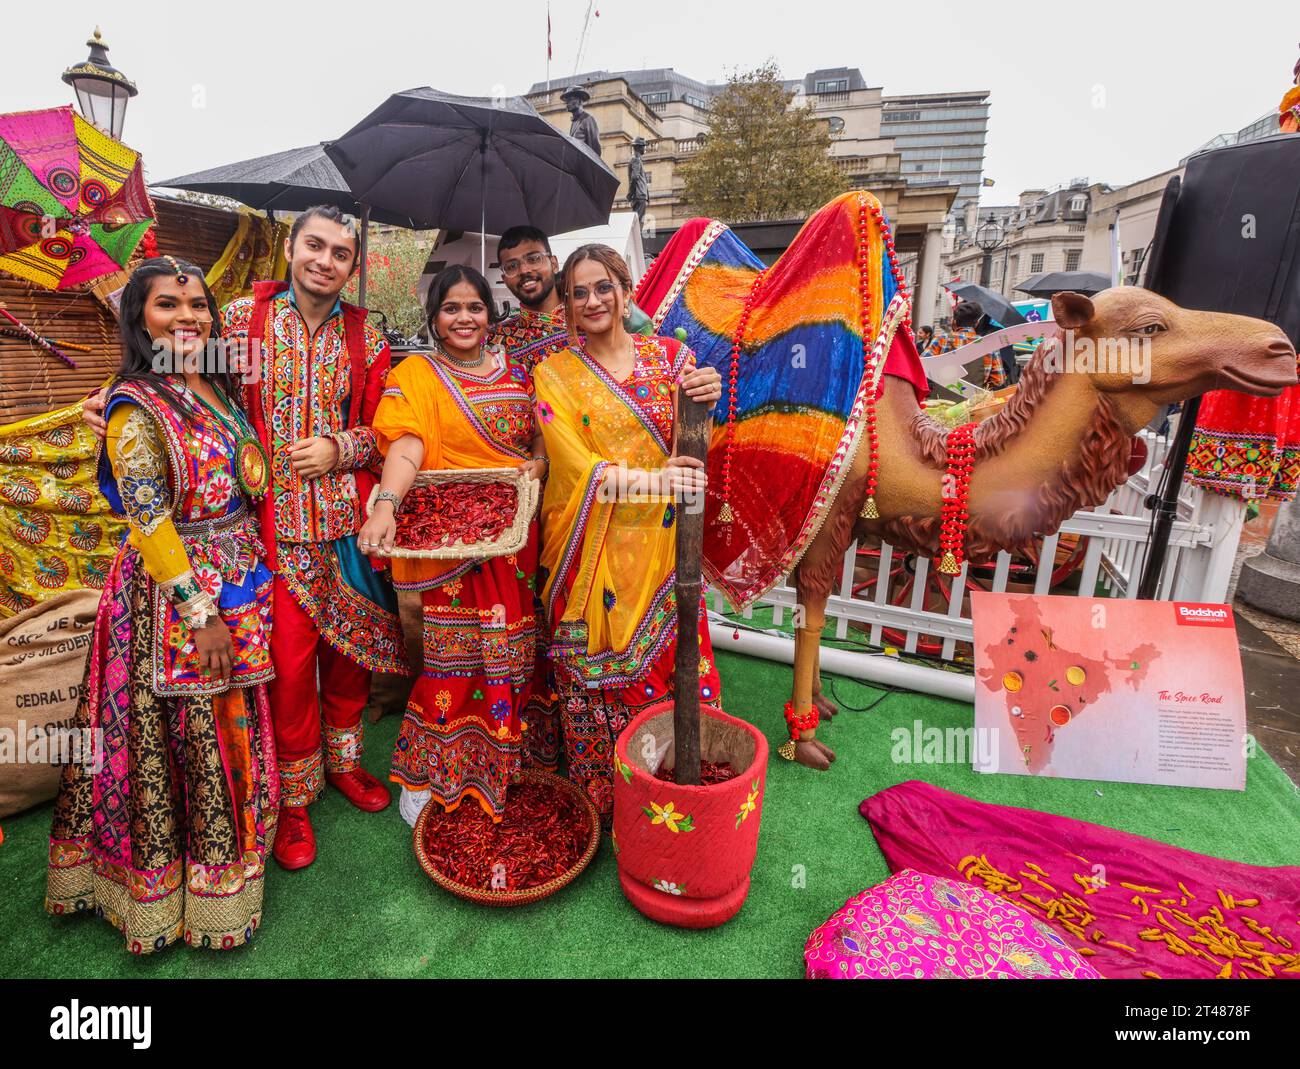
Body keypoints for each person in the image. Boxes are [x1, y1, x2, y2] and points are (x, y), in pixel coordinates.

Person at [84, 206, 410, 871]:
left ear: (354, 265)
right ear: (291, 247)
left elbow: (387, 423)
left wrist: (340, 446)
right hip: (268, 530)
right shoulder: (241, 320)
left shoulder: (366, 334)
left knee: (349, 660)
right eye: (314, 245)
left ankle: (346, 765)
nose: (325, 260)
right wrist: (114, 396)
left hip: (345, 524)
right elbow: (176, 376)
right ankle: (292, 797)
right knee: (288, 668)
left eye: (341, 253)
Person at [48, 258, 278, 953]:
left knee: (232, 715)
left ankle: (236, 862)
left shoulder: (217, 386)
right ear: (139, 319)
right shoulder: (133, 403)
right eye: (168, 306)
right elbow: (148, 520)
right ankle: (171, 889)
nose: (188, 318)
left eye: (199, 305)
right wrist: (198, 609)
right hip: (170, 595)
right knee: (182, 735)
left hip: (236, 574)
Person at [533, 244, 723, 822]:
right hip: (592, 551)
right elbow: (572, 469)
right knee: (593, 679)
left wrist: (706, 406)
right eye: (579, 292)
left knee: (673, 666)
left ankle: (674, 792)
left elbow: (695, 450)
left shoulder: (673, 359)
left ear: (625, 290)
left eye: (603, 287)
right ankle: (603, 802)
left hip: (665, 550)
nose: (593, 300)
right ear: (565, 304)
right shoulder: (553, 373)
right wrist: (655, 481)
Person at [359, 266, 545, 826]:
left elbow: (542, 429)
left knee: (513, 656)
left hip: (514, 537)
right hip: (451, 539)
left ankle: (508, 762)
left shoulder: (520, 370)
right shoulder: (417, 373)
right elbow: (408, 445)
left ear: (491, 315)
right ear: (434, 318)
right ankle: (436, 772)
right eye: (451, 308)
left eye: (475, 307)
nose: (464, 318)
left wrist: (537, 459)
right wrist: (387, 503)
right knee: (454, 660)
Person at [562, 85, 602, 158]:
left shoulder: (588, 119)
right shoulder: (574, 122)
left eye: (570, 100)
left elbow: (595, 149)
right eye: (566, 101)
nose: (567, 104)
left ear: (580, 101)